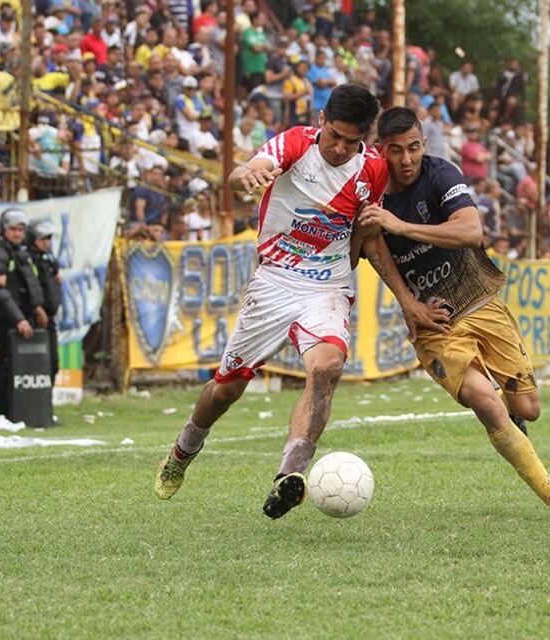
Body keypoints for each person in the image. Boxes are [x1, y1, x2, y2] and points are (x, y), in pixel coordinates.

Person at [154, 85, 445, 519]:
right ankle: (183, 450)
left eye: (352, 141)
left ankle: (289, 476)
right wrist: (247, 174)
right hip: (273, 283)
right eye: (335, 136)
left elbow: (371, 237)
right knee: (226, 390)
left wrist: (404, 296)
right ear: (323, 119)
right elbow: (245, 170)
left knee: (326, 368)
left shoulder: (373, 171)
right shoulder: (295, 143)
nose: (341, 148)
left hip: (327, 289)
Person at [356, 107, 550, 524]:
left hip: (480, 301)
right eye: (395, 151)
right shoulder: (369, 188)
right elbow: (371, 246)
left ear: (424, 144)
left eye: (412, 149)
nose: (405, 160)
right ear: (380, 150)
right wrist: (409, 305)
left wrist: (401, 226)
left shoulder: (441, 174)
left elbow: (470, 232)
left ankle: (515, 418)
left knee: (528, 409)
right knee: (485, 402)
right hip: (434, 322)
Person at [0, 209, 48, 430]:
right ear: (4, 229)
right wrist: (18, 319)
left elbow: (28, 283)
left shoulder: (18, 251)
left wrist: (37, 308)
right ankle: (4, 413)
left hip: (22, 317)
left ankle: (20, 411)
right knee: (3, 366)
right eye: (13, 229)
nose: (18, 233)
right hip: (6, 319)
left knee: (20, 369)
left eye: (21, 229)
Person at [26, 218, 63, 397]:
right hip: (34, 318)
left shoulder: (48, 260)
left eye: (49, 239)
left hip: (50, 317)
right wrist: (37, 309)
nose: (47, 243)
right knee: (33, 364)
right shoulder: (26, 259)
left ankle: (45, 401)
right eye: (43, 239)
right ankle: (32, 401)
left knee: (52, 363)